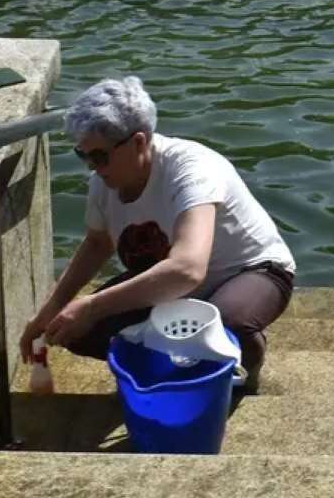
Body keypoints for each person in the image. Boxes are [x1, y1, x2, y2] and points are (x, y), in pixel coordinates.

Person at [25, 77, 297, 393]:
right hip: (174, 282)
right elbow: (98, 243)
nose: (92, 168)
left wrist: (92, 305)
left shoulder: (192, 170)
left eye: (99, 157)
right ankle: (168, 374)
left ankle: (244, 369)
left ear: (139, 142)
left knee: (226, 324)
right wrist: (50, 310)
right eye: (82, 156)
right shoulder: (104, 181)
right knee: (77, 331)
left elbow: (187, 269)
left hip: (251, 271)